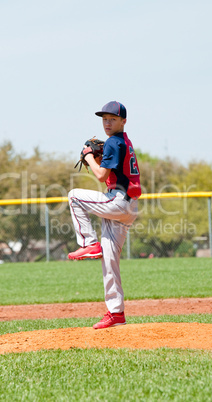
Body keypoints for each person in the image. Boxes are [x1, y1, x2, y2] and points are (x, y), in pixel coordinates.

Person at [68, 101, 141, 329]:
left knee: (73, 196)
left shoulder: (112, 142)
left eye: (112, 119)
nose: (107, 123)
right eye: (104, 119)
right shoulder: (124, 142)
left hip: (118, 202)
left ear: (123, 121)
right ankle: (116, 313)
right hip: (128, 206)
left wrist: (89, 156)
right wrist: (100, 158)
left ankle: (89, 243)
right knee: (110, 260)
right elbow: (111, 171)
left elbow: (100, 176)